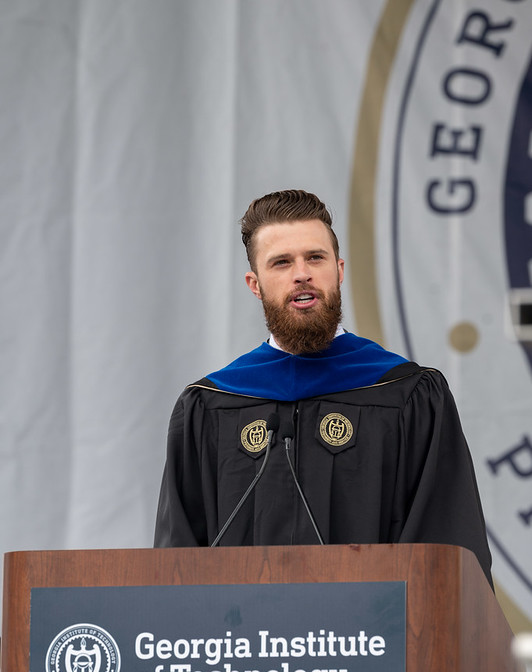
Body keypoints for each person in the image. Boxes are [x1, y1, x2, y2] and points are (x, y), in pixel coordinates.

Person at [154, 189, 492, 585]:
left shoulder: (406, 394)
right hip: (240, 639)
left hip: (373, 637)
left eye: (315, 257)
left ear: (339, 270)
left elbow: (445, 543)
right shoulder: (212, 404)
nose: (302, 273)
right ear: (255, 284)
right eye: (281, 262)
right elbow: (176, 558)